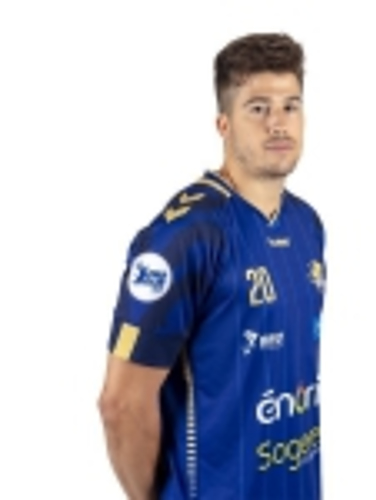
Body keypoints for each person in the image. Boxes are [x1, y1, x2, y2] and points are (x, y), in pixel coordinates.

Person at [98, 32, 327, 500]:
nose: (278, 123)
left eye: (290, 106)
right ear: (224, 123)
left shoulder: (307, 224)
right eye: (258, 108)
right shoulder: (183, 237)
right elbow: (120, 404)